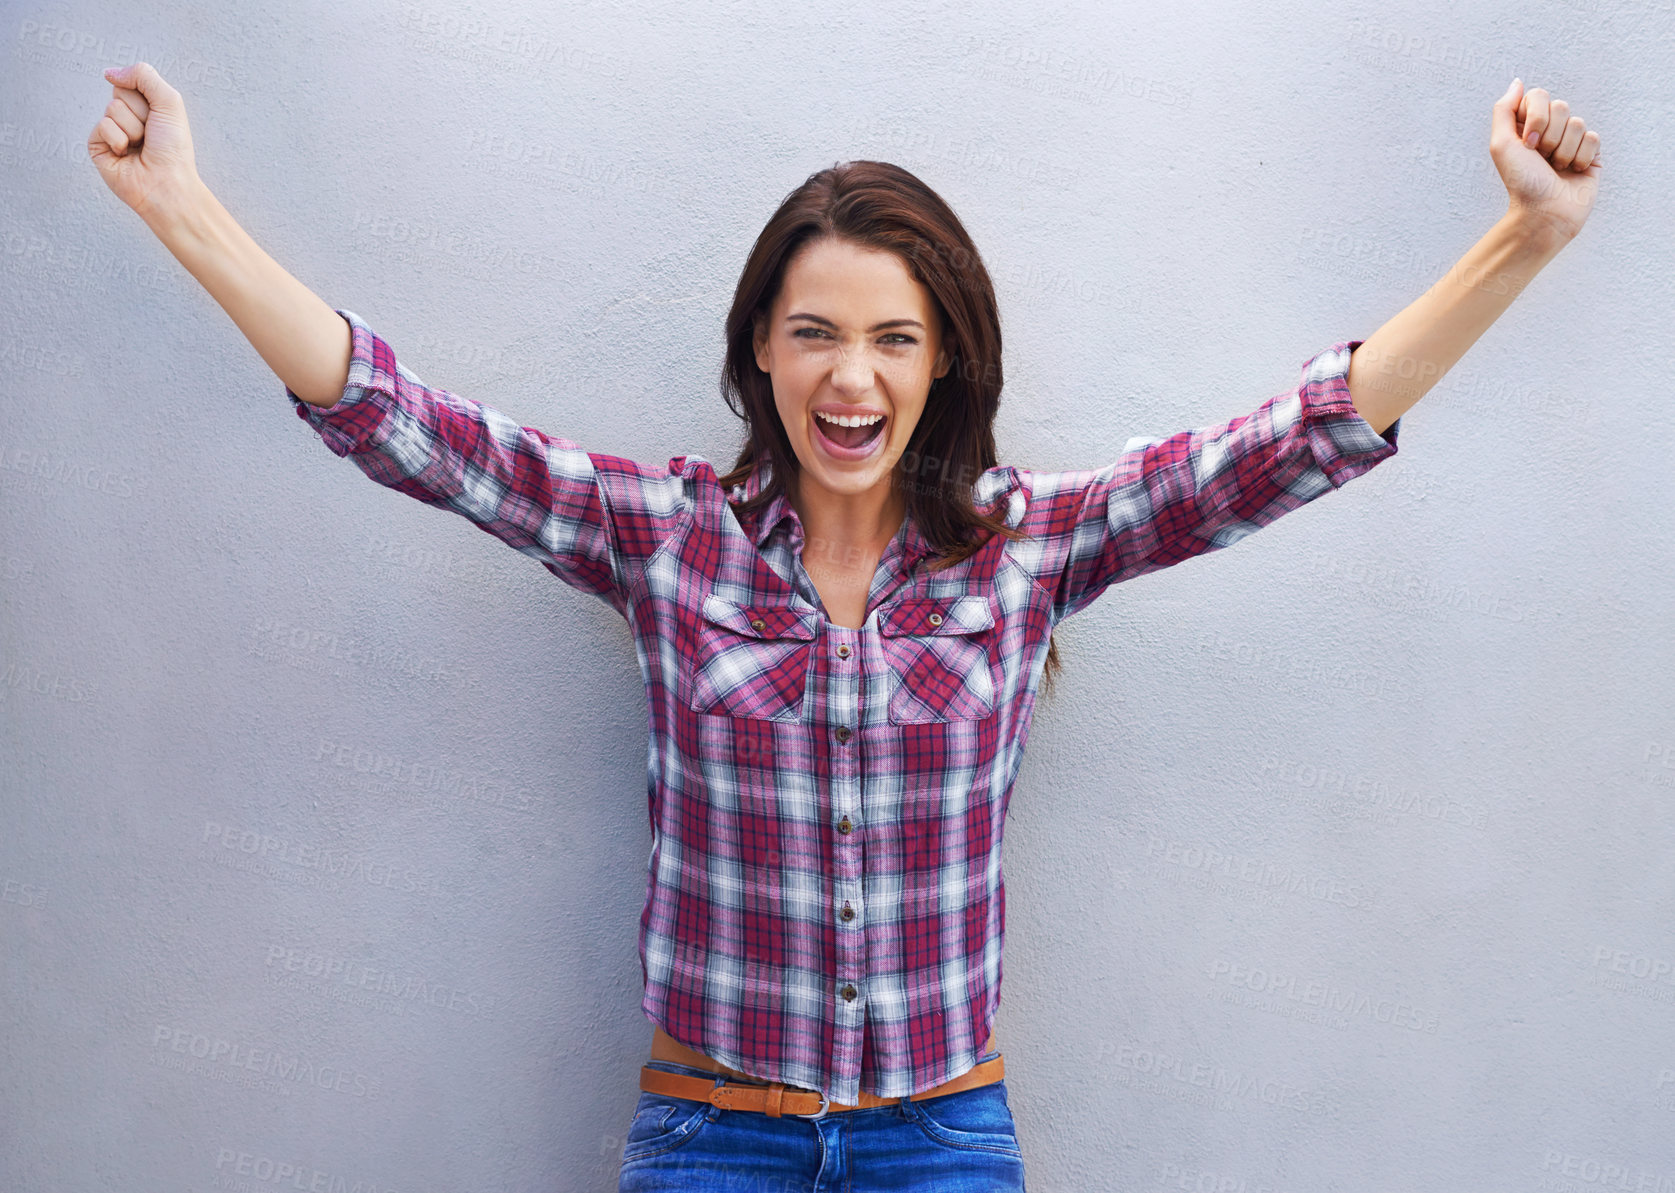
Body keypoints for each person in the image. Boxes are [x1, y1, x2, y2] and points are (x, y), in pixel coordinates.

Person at [90, 62, 1601, 1192]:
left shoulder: (1026, 550)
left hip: (943, 1136)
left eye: (892, 336)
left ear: (943, 360)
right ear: (761, 346)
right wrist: (181, 206)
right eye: (814, 330)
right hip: (708, 1132)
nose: (851, 374)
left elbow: (1291, 439)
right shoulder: (665, 537)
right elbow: (405, 424)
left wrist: (1523, 240)